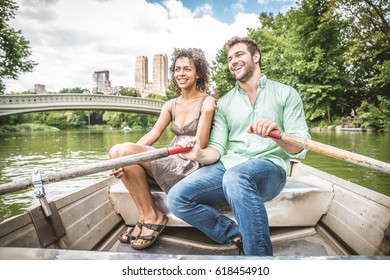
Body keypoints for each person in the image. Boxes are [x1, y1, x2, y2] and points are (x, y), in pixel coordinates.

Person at [167, 36, 310, 256]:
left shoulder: (286, 94)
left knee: (236, 176)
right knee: (177, 198)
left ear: (256, 56)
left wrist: (278, 135)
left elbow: (298, 147)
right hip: (228, 167)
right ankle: (234, 234)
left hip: (270, 168)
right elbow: (216, 150)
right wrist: (197, 154)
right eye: (230, 58)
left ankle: (260, 261)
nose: (233, 61)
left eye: (239, 54)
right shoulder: (223, 104)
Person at [108, 48, 216, 250]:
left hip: (190, 164)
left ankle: (154, 217)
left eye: (187, 69)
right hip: (172, 157)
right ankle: (145, 215)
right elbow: (153, 134)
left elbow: (200, 144)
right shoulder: (170, 104)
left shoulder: (207, 102)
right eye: (177, 69)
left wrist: (208, 111)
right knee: (116, 151)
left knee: (124, 153)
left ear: (198, 73)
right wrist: (121, 159)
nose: (181, 74)